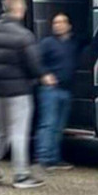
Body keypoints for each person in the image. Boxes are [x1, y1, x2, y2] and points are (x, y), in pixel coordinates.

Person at [0, 0, 56, 189]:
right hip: (19, 91)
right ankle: (21, 175)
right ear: (18, 9)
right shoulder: (23, 35)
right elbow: (33, 62)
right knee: (19, 132)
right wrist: (44, 76)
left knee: (1, 131)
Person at [35, 13, 78, 171]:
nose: (58, 25)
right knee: (48, 124)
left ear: (69, 26)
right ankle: (44, 158)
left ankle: (54, 158)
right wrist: (44, 74)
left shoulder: (74, 43)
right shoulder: (47, 43)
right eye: (55, 23)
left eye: (61, 22)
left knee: (59, 127)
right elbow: (35, 61)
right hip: (50, 90)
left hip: (66, 91)